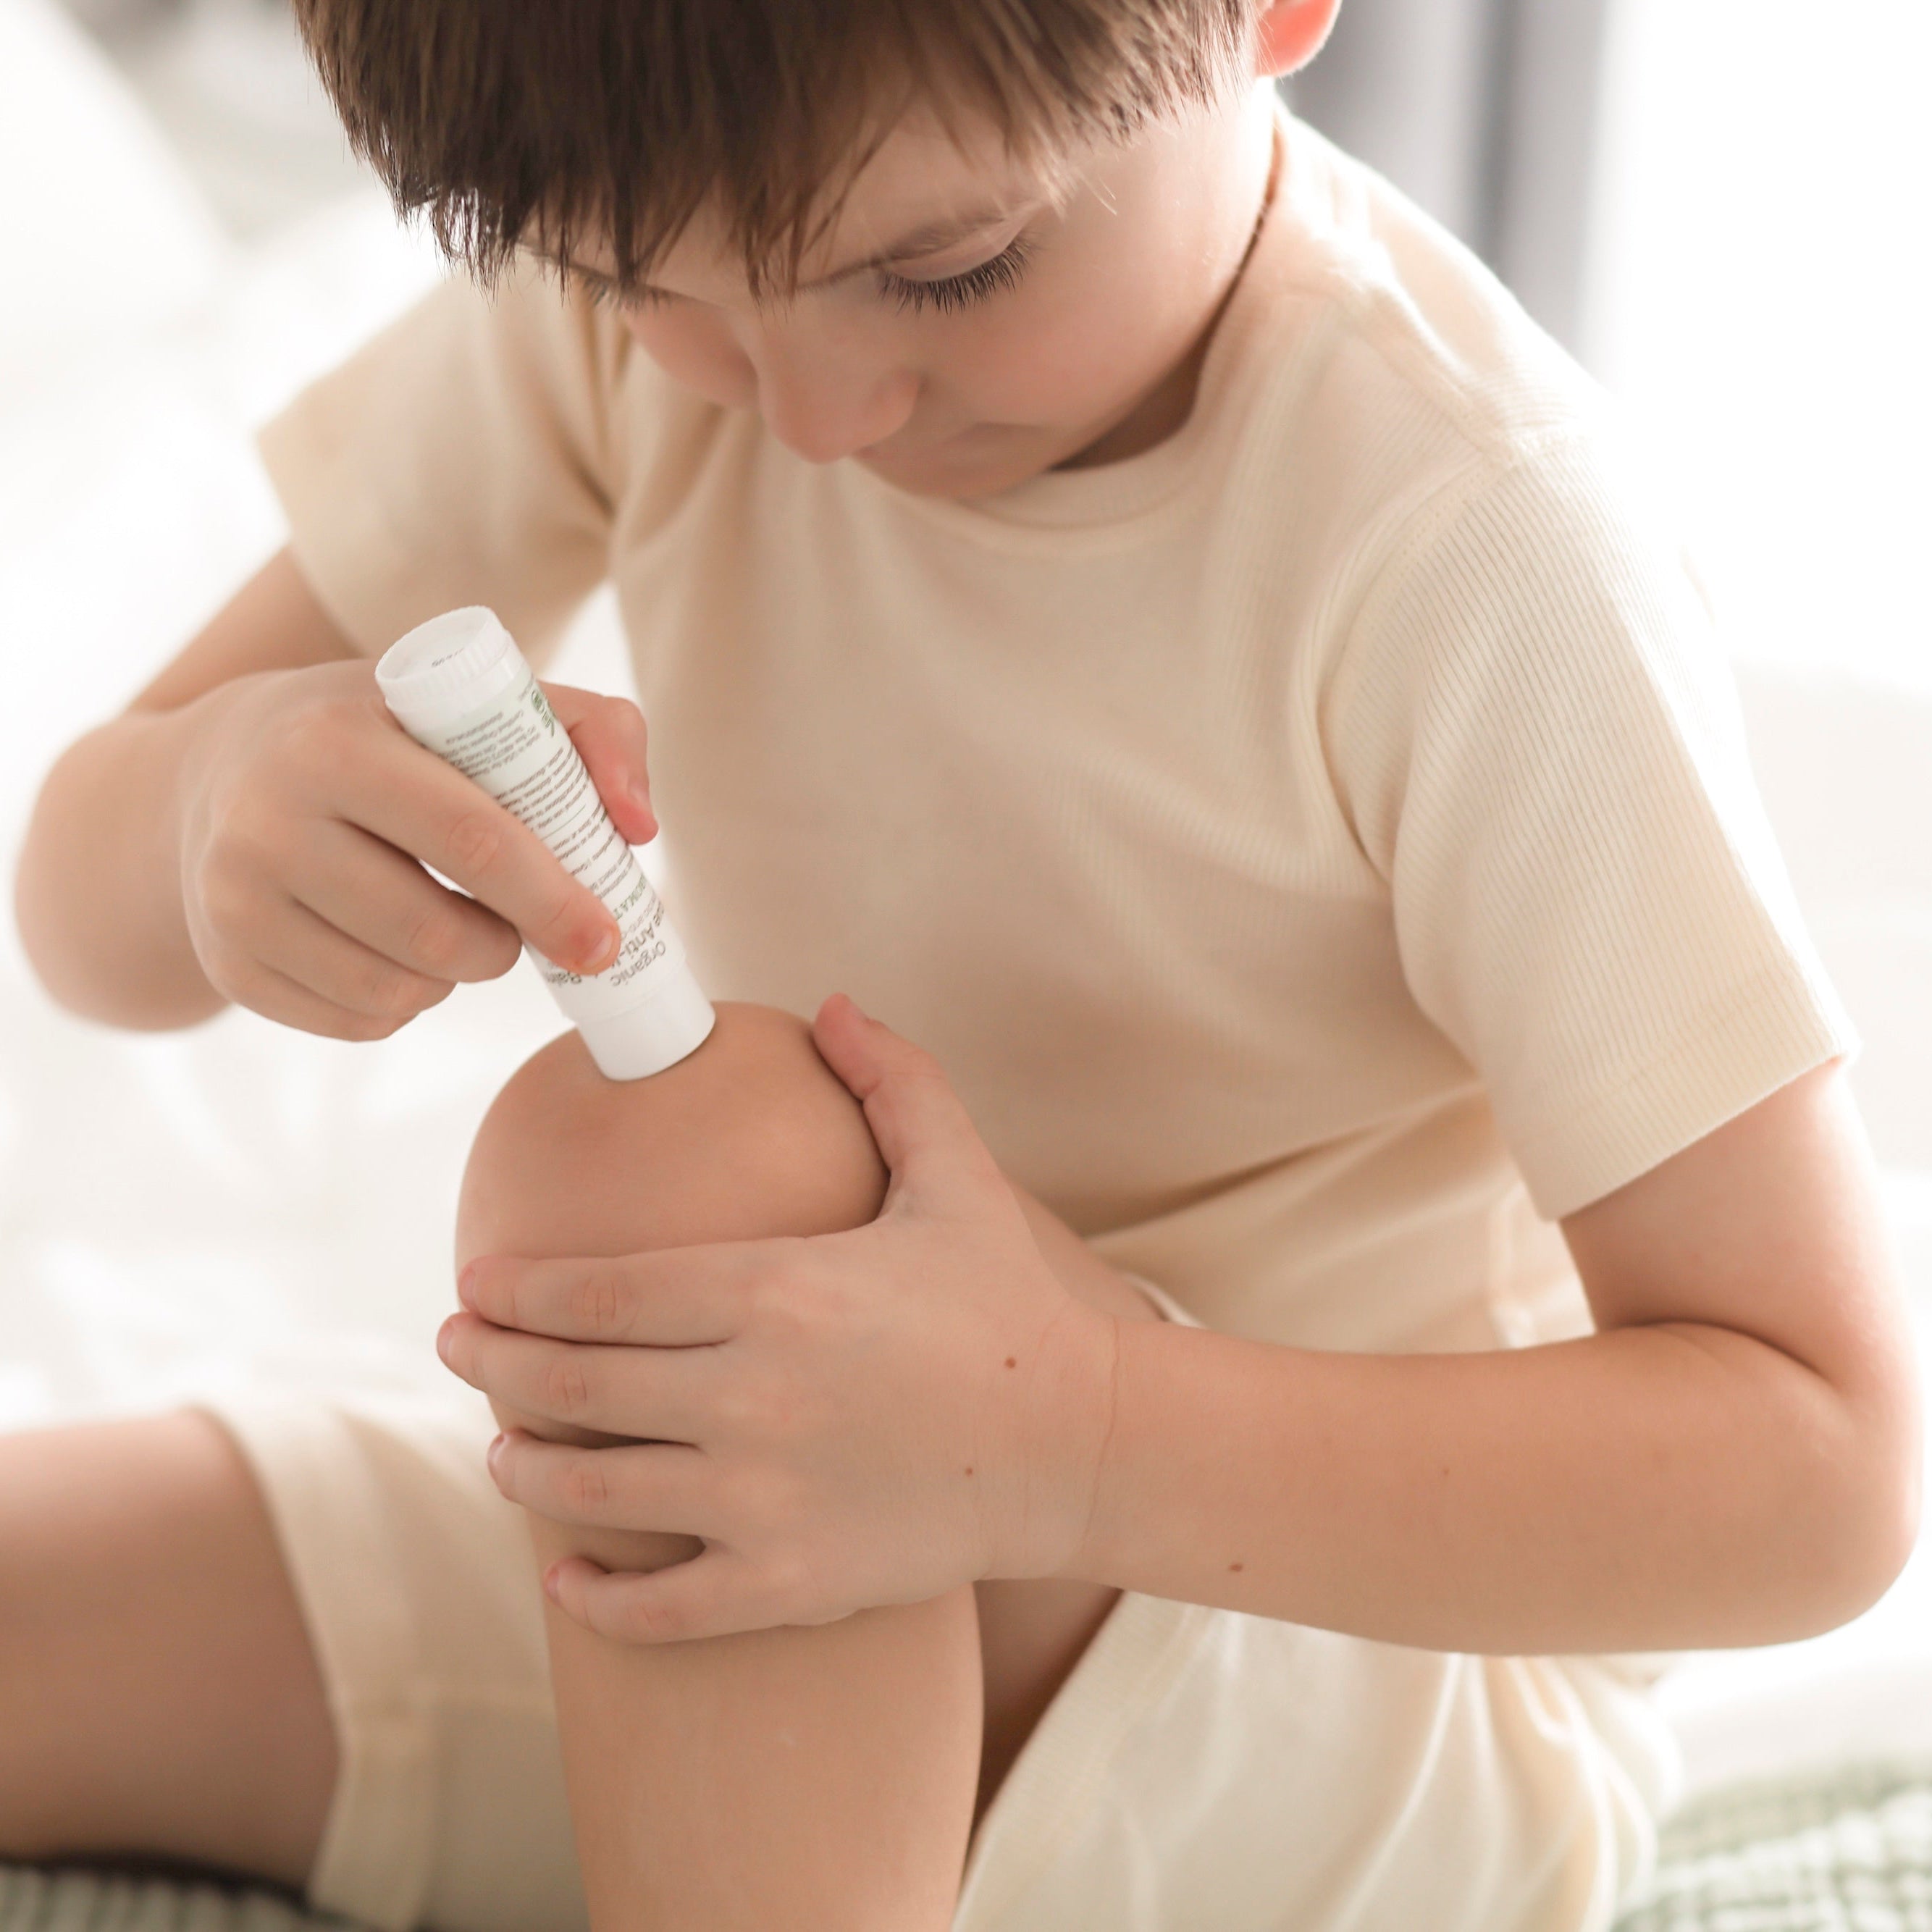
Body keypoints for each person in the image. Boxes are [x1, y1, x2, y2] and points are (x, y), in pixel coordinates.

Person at [3, 0, 1921, 1925]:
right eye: (640, 284)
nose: (814, 411)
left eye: (948, 267)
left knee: (689, 1158)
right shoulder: (656, 261)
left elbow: (1819, 1471)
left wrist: (1056, 1437)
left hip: (1316, 1676)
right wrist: (202, 819)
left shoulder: (1470, 538)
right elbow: (80, 907)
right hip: (787, 1534)